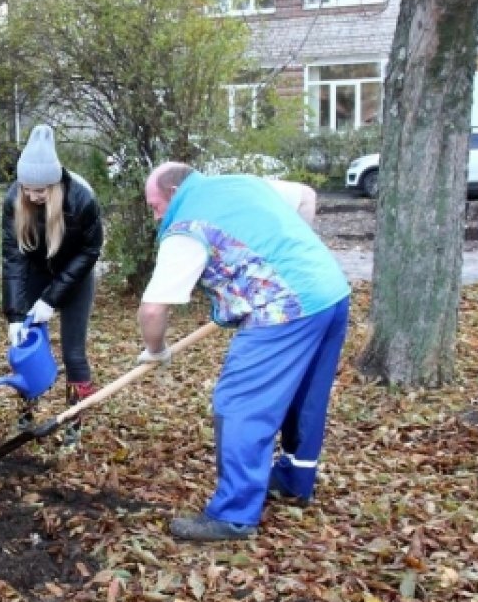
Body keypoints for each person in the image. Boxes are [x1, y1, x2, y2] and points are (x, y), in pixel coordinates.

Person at [137, 163, 350, 541]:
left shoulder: (185, 227)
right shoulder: (241, 183)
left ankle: (234, 515)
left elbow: (154, 309)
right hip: (330, 291)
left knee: (239, 404)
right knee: (304, 398)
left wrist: (155, 350)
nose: (155, 216)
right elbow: (306, 197)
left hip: (285, 309)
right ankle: (294, 480)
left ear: (172, 193)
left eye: (154, 206)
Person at [2, 124, 104, 445]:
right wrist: (16, 315)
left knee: (73, 350)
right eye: (27, 189)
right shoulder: (13, 200)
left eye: (41, 190)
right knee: (25, 345)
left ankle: (75, 417)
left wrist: (52, 299)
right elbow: (13, 259)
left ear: (55, 183)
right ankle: (26, 410)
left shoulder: (82, 199)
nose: (33, 196)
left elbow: (90, 251)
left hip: (76, 275)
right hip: (35, 271)